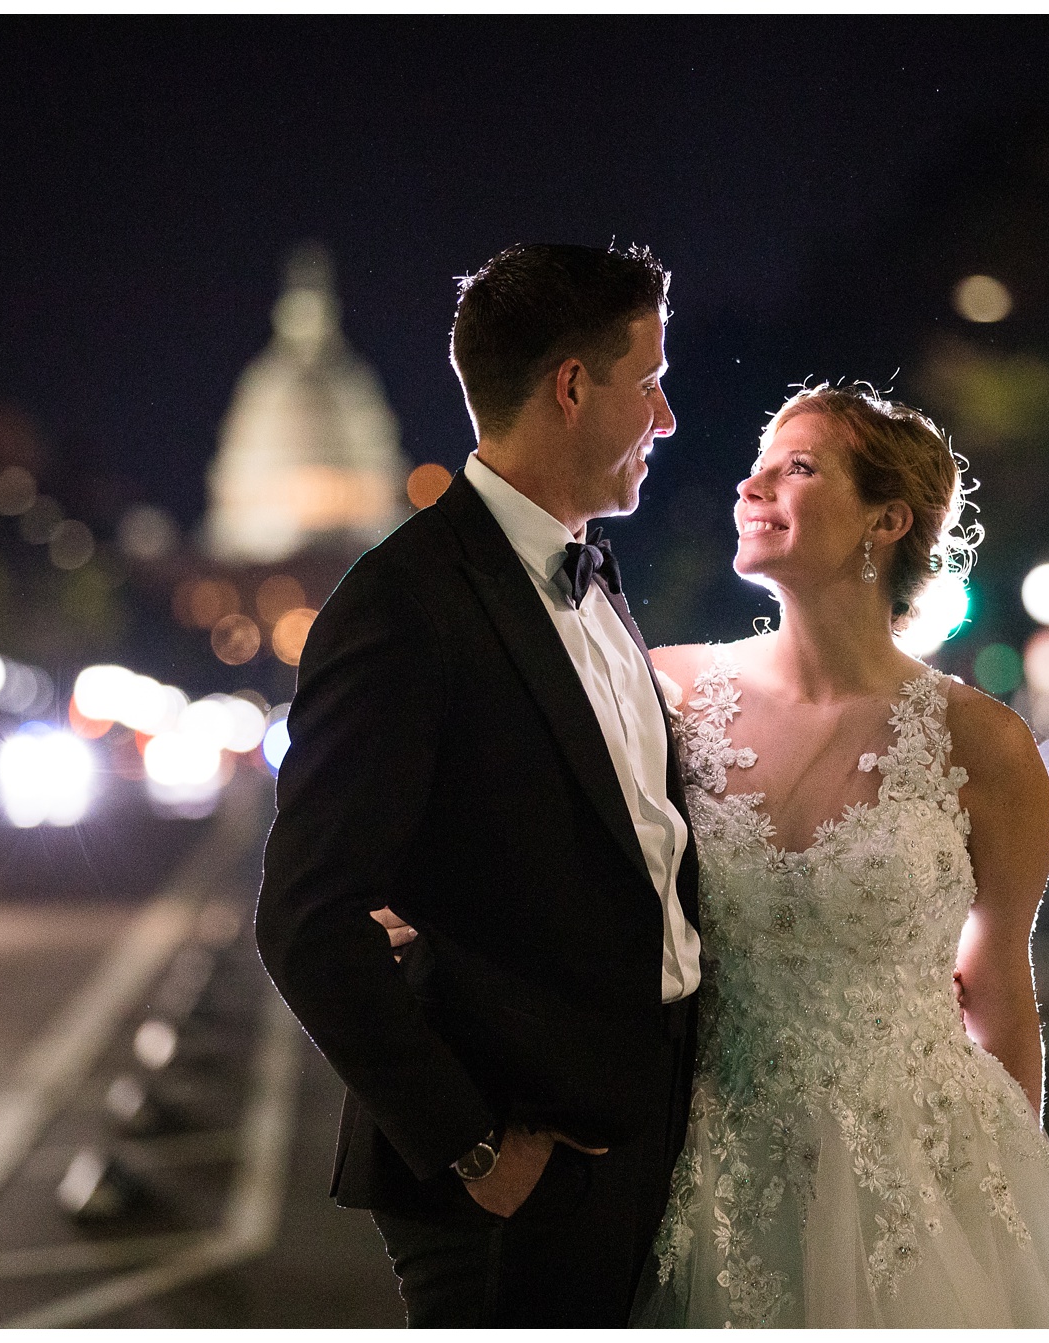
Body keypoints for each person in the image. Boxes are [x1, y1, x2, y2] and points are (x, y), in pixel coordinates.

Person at [635, 383, 1049, 1327]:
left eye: (797, 467)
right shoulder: (669, 691)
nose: (751, 484)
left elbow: (1000, 984)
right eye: (760, 463)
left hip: (928, 1173)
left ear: (887, 519)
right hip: (717, 1161)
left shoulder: (986, 744)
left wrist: (1019, 1216)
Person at [255, 242, 701, 1327]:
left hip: (641, 1148)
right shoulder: (400, 603)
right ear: (570, 388)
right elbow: (305, 917)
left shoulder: (597, 583)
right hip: (514, 1178)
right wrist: (475, 1146)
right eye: (648, 382)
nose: (668, 417)